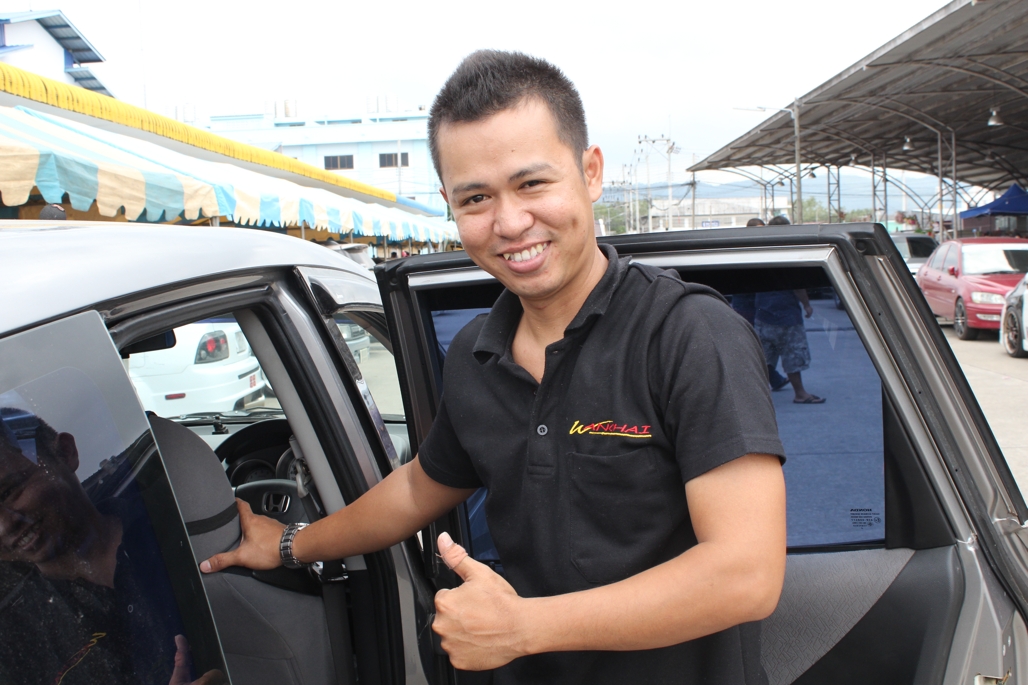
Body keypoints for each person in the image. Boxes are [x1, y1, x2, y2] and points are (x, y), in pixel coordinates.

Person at [201, 50, 787, 684]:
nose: (509, 222)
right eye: (476, 198)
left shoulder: (687, 333)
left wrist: (524, 628)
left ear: (590, 172)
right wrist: (290, 543)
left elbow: (745, 574)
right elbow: (419, 487)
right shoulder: (476, 353)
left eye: (532, 184)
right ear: (450, 205)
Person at [0, 408, 222, 685]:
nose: (4, 526)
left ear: (66, 452)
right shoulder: (14, 629)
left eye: (9, 491)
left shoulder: (178, 520)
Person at [733, 216, 789, 390]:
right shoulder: (745, 249)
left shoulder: (756, 248)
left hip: (758, 304)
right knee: (751, 344)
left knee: (758, 346)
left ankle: (772, 378)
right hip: (746, 303)